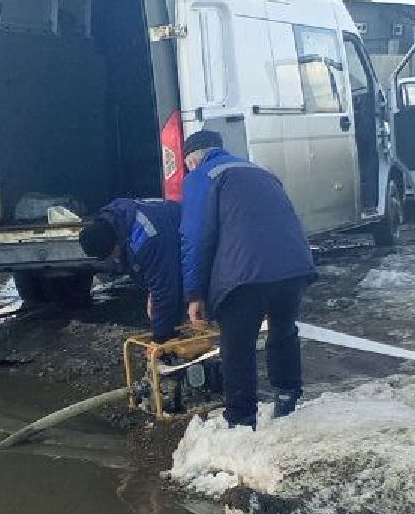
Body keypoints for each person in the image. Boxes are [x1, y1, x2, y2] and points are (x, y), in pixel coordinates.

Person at [178, 130, 317, 428]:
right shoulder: (259, 171)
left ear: (192, 158)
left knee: (237, 345)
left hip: (246, 275)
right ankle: (287, 397)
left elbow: (196, 238)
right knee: (282, 331)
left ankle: (241, 420)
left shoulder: (202, 176)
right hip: (293, 266)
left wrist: (194, 294)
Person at [79, 197, 184, 342]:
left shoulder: (147, 238)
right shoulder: (116, 220)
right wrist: (151, 292)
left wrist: (159, 338)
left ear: (115, 243)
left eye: (111, 254)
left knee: (193, 304)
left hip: (192, 241)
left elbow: (164, 289)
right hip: (168, 243)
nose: (114, 259)